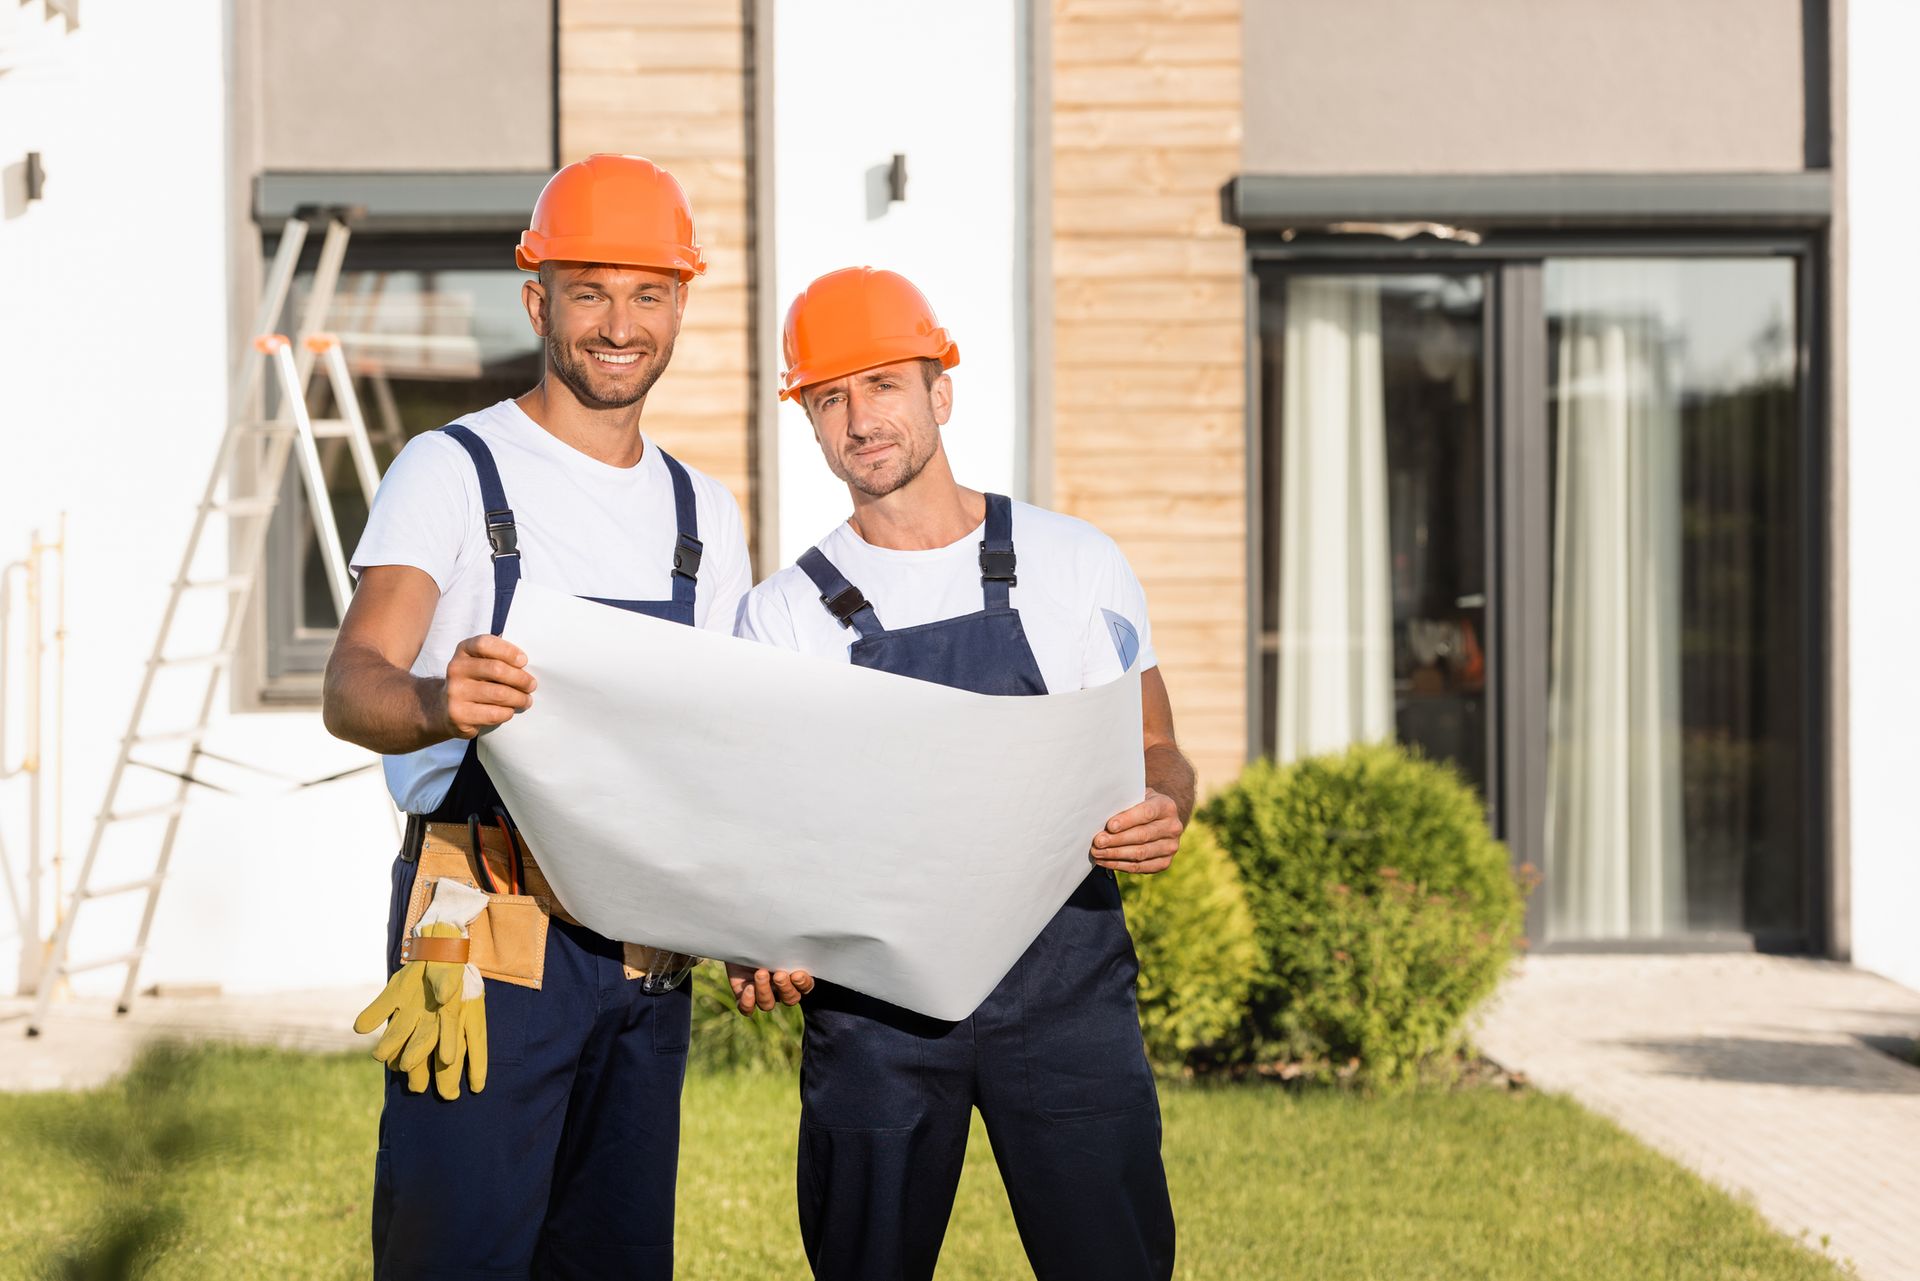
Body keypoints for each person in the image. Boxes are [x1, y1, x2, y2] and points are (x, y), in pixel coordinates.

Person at [323, 153, 797, 1279]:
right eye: (590, 292)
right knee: (461, 1253)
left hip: (644, 953)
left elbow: (719, 746)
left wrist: (758, 916)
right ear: (539, 302)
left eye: (648, 294)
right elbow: (352, 684)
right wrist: (439, 700)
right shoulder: (452, 470)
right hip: (485, 928)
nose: (619, 325)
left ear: (682, 303)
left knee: (616, 1255)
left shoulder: (703, 512)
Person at [735, 266, 1191, 1281]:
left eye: (883, 385)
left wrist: (1166, 804)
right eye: (828, 398)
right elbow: (766, 822)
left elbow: (1154, 746)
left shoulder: (1074, 563)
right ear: (808, 421)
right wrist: (757, 932)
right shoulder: (781, 616)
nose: (859, 419)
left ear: (941, 390)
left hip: (1065, 993)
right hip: (875, 1008)